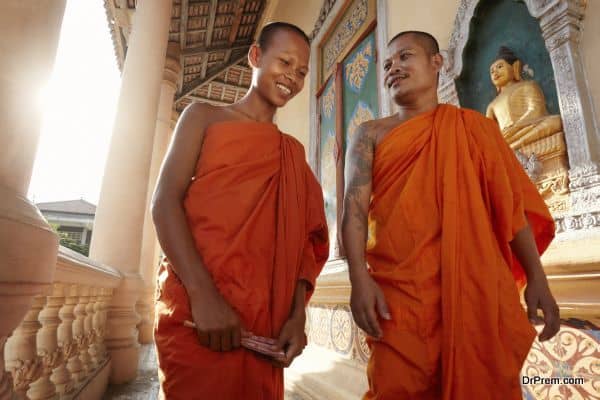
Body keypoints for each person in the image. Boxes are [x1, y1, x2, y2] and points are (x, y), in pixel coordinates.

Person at [341, 31, 559, 400]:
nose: (394, 68)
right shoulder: (370, 135)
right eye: (389, 64)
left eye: (405, 57)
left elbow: (510, 207)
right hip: (399, 295)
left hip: (475, 290)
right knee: (395, 387)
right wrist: (358, 279)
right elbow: (354, 208)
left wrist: (537, 277)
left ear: (436, 62)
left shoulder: (475, 129)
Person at [151, 22, 329, 400]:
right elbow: (165, 202)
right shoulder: (203, 117)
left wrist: (298, 316)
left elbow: (308, 244)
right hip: (198, 314)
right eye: (285, 62)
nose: (293, 78)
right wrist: (203, 297)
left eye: (301, 72)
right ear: (255, 57)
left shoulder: (292, 155)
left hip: (266, 327)